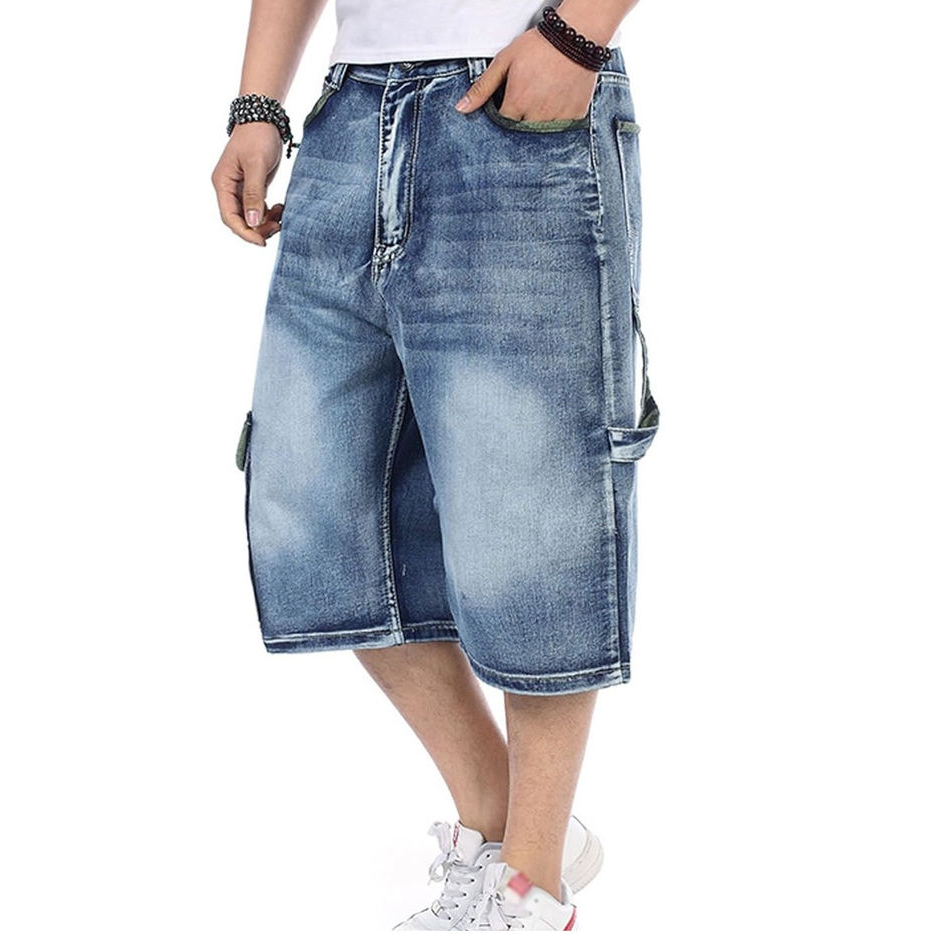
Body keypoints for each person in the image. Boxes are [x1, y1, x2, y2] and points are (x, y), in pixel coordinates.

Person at [211, 0, 659, 928]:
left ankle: (531, 887)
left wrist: (577, 37)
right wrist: (259, 104)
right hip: (349, 115)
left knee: (532, 507)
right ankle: (502, 820)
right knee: (317, 514)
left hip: (518, 106)